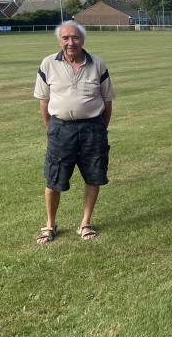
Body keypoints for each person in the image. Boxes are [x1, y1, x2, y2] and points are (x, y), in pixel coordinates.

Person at [34, 20, 115, 243]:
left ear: (83, 40)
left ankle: (85, 223)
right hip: (61, 129)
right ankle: (50, 225)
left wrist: (101, 128)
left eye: (75, 37)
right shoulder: (48, 64)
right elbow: (43, 100)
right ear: (60, 40)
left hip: (93, 128)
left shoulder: (97, 64)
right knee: (54, 178)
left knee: (94, 175)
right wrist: (51, 128)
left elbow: (107, 101)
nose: (71, 42)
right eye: (65, 38)